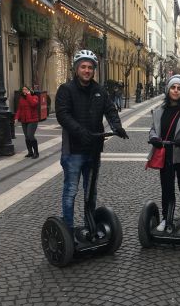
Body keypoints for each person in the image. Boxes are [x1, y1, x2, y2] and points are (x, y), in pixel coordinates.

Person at [55, 49, 128, 234]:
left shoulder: (99, 90)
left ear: (94, 70)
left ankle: (89, 226)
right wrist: (80, 132)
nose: (87, 70)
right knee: (71, 190)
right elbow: (63, 115)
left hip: (94, 150)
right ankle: (68, 230)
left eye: (90, 67)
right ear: (76, 69)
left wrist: (117, 126)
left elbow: (110, 110)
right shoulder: (66, 90)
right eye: (83, 67)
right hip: (73, 151)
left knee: (90, 191)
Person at [148, 74, 180, 233]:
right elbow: (152, 130)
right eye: (173, 88)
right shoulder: (159, 111)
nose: (176, 91)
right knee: (166, 188)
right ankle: (166, 217)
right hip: (165, 155)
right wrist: (154, 138)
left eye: (179, 88)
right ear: (168, 90)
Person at [14, 86, 40, 159]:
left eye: (25, 89)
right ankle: (30, 152)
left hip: (33, 120)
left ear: (29, 90)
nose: (24, 91)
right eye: (23, 89)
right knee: (27, 137)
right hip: (24, 120)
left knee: (30, 135)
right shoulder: (21, 99)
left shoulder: (34, 97)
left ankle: (36, 152)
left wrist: (28, 95)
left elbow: (33, 104)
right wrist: (16, 118)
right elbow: (19, 109)